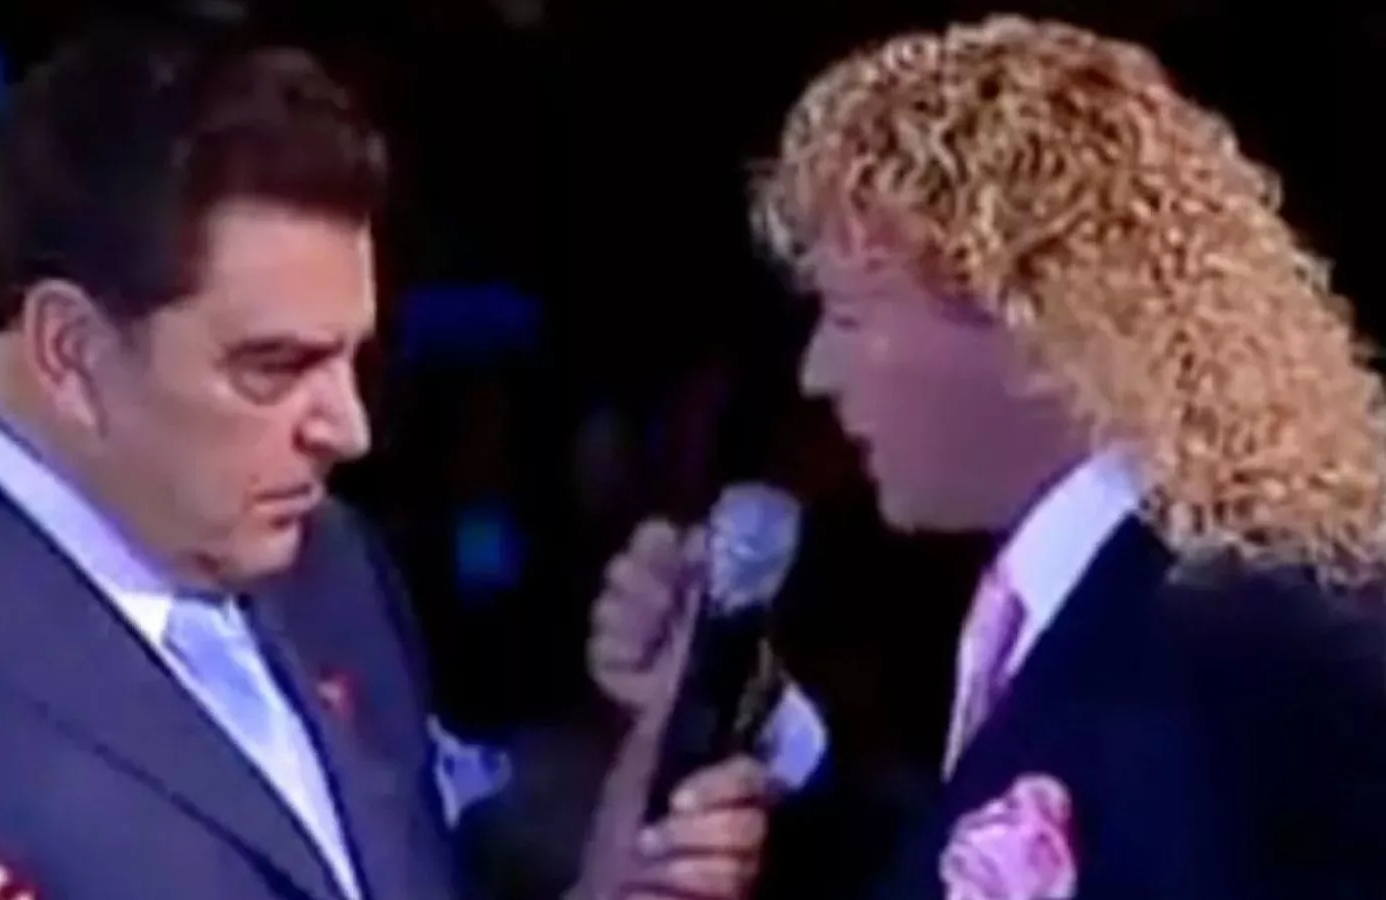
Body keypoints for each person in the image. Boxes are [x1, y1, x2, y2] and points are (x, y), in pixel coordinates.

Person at [0, 13, 771, 900]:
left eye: (352, 358)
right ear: (70, 352)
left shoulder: (332, 564)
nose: (348, 429)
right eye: (275, 367)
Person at [588, 15, 1386, 900]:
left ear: (1035, 320)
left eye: (852, 315)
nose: (816, 372)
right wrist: (751, 717)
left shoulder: (1244, 645)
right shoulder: (1112, 602)